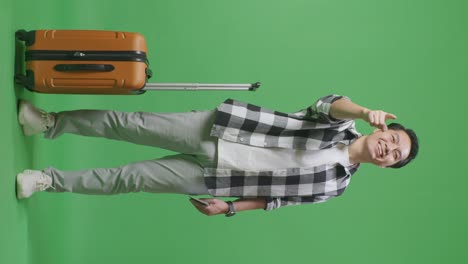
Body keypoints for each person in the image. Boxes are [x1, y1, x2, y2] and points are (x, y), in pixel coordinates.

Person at [15, 95, 419, 217]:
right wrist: (364, 111)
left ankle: (47, 181)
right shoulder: (340, 125)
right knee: (131, 122)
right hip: (223, 129)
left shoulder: (336, 187)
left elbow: (276, 200)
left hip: (219, 179)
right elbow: (329, 102)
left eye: (395, 156)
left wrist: (229, 209)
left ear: (387, 166)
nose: (389, 149)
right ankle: (48, 123)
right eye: (393, 140)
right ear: (383, 129)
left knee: (130, 178)